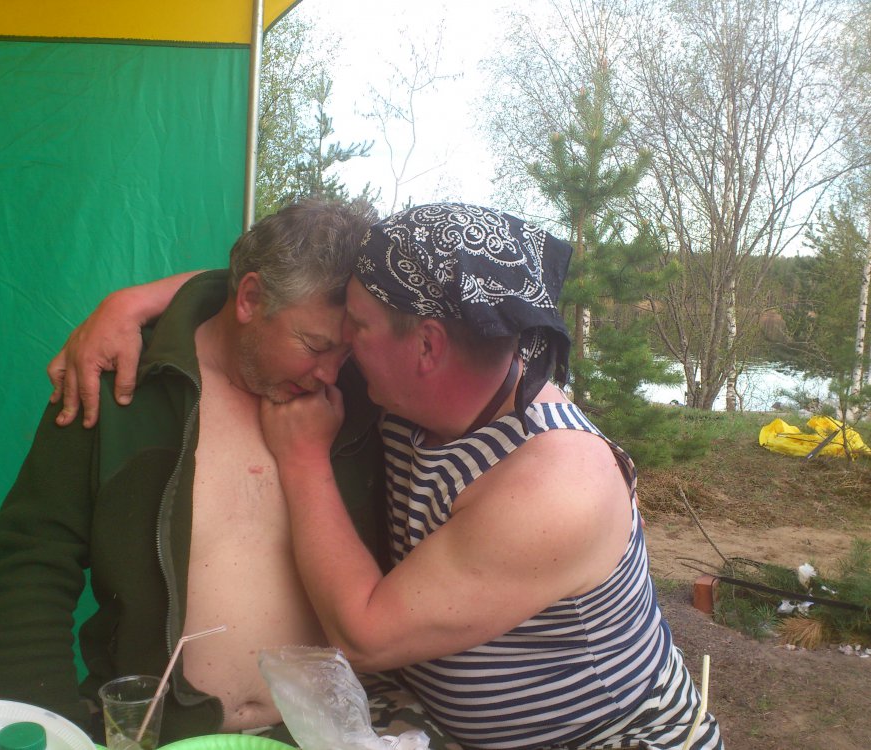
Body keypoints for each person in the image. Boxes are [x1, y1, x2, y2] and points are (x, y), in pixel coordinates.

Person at [49, 203, 723, 749]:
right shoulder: (417, 393)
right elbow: (278, 288)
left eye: (358, 329)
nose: (340, 352)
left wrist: (304, 459)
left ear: (426, 344)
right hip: (441, 729)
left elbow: (365, 635)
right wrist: (133, 303)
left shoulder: (557, 482)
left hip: (606, 740)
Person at [0, 199, 458, 747]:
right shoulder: (121, 384)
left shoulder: (369, 400)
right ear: (250, 299)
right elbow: (34, 559)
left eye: (347, 353)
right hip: (155, 730)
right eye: (315, 345)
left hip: (335, 731)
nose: (330, 374)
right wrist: (44, 723)